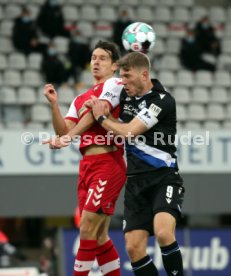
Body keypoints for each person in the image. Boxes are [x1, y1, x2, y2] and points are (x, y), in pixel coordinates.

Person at [89, 51, 185, 276]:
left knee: (163, 233)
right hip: (135, 182)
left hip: (164, 178)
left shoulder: (162, 101)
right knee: (133, 248)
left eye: (128, 77)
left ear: (144, 75)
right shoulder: (124, 94)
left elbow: (130, 132)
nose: (123, 82)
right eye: (121, 77)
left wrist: (102, 119)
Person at [43, 41, 126, 276]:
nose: (96, 62)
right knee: (99, 236)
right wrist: (54, 106)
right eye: (93, 58)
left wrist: (68, 138)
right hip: (87, 166)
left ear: (114, 66)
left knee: (87, 227)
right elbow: (63, 130)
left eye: (103, 58)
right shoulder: (80, 98)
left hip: (108, 163)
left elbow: (93, 116)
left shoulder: (115, 84)